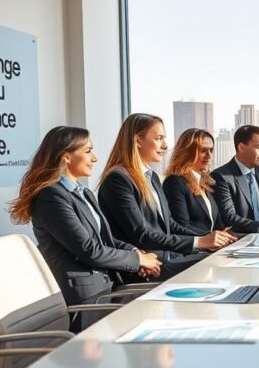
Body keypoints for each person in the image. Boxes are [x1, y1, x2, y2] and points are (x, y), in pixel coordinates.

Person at [7, 126, 162, 329]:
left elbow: (106, 240)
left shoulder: (84, 193)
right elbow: (90, 251)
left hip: (108, 285)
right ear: (66, 157)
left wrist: (136, 253)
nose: (95, 158)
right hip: (87, 299)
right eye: (88, 151)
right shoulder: (51, 196)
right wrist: (139, 259)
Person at [97, 113, 236, 280]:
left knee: (221, 259)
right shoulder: (118, 179)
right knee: (216, 265)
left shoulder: (152, 177)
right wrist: (200, 243)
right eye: (159, 138)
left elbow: (170, 225)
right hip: (142, 268)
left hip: (164, 260)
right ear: (138, 140)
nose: (165, 145)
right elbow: (142, 234)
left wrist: (206, 239)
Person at [163, 128, 229, 234]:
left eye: (211, 150)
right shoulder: (175, 182)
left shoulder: (206, 183)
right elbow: (181, 225)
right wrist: (211, 236)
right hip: (192, 249)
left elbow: (215, 223)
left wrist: (226, 233)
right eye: (203, 151)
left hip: (211, 248)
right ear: (187, 152)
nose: (209, 156)